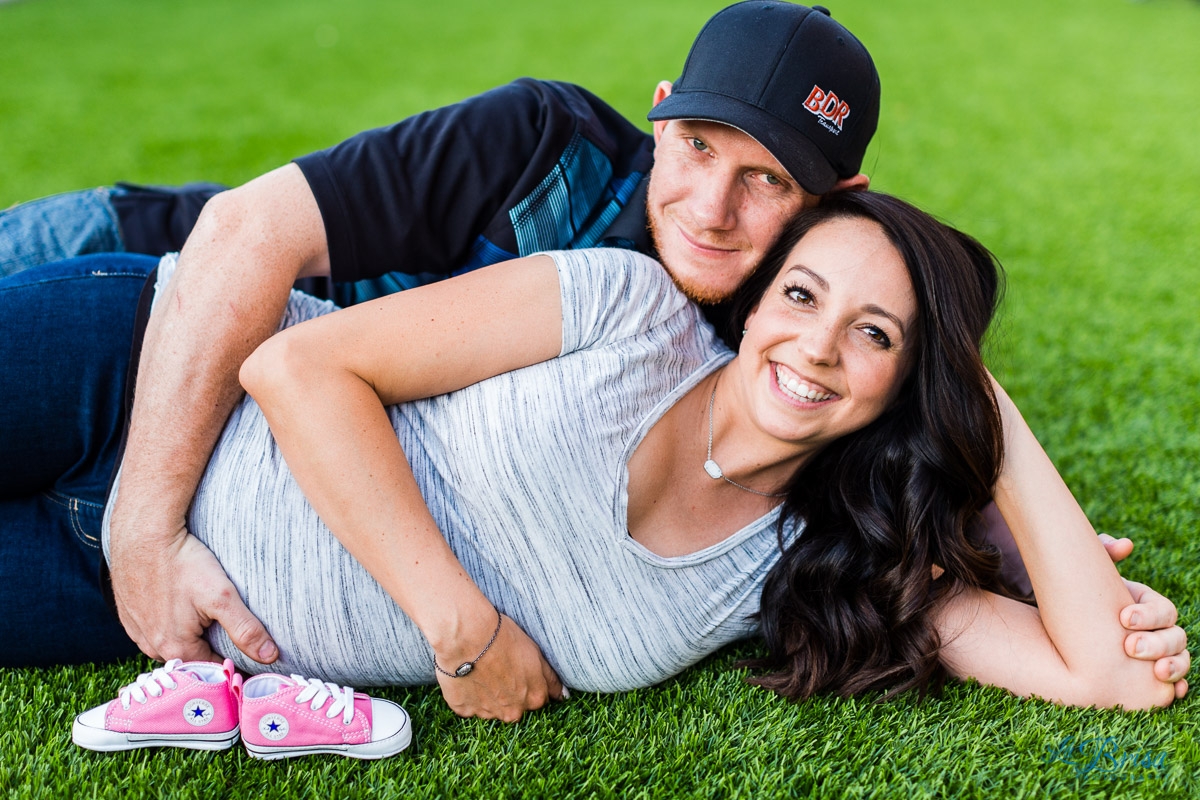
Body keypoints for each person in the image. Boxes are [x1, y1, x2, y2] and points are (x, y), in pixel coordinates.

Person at [0, 2, 1186, 710]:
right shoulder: (564, 173)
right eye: (699, 147)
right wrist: (144, 528)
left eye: (767, 179)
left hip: (213, 574)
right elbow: (250, 249)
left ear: (832, 201)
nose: (713, 209)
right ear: (661, 112)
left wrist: (1002, 483)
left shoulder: (795, 434)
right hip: (162, 310)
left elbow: (856, 417)